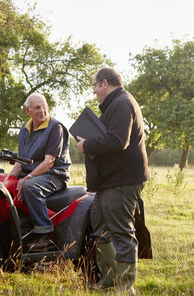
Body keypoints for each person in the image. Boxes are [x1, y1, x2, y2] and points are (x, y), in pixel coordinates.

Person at [76, 67, 149, 295]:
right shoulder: (116, 103)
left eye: (95, 86)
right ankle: (108, 280)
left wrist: (86, 145)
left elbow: (118, 141)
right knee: (100, 227)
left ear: (104, 83)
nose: (95, 91)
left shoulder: (121, 103)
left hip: (122, 180)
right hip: (109, 181)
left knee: (121, 230)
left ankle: (126, 287)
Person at [11, 93, 71, 250]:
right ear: (27, 111)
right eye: (37, 107)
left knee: (30, 186)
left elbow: (49, 162)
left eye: (44, 107)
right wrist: (7, 181)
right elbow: (20, 162)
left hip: (55, 175)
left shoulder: (55, 127)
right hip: (34, 174)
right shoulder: (24, 130)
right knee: (6, 185)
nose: (42, 111)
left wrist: (26, 178)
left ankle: (46, 234)